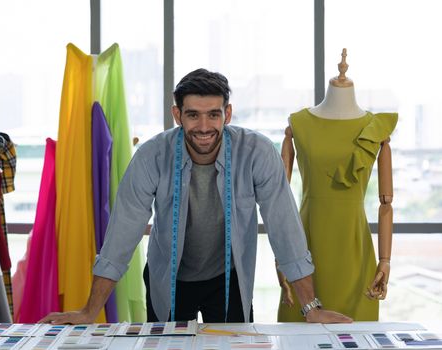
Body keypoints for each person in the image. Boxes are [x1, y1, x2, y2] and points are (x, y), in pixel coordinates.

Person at [41, 68, 351, 324]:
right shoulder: (151, 157)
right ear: (177, 114)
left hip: (228, 276)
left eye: (213, 115)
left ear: (227, 113)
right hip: (169, 277)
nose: (204, 127)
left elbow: (285, 229)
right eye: (193, 115)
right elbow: (121, 235)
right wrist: (89, 311)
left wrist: (311, 309)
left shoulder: (257, 153)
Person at [277, 49, 397, 321]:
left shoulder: (375, 129)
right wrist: (280, 261)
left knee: (357, 334)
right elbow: (279, 204)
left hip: (356, 249)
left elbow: (386, 202)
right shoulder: (299, 124)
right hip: (304, 247)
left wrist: (385, 261)